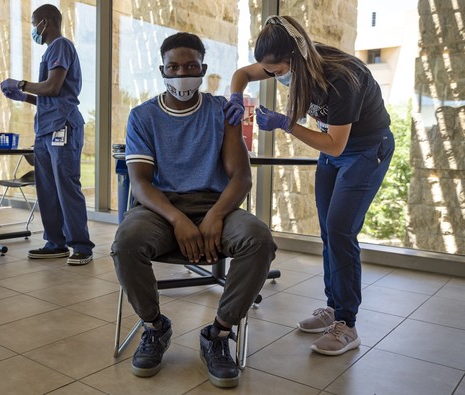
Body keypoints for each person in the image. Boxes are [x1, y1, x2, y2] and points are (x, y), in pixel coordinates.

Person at [111, 32, 276, 388]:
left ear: (203, 69)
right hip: (161, 208)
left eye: (190, 66)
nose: (181, 73)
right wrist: (177, 219)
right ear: (162, 70)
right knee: (126, 242)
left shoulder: (222, 112)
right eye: (173, 66)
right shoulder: (143, 116)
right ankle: (155, 327)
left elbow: (242, 177)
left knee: (258, 239)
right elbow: (141, 184)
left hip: (217, 204)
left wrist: (215, 215)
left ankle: (218, 334)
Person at [224, 15, 395, 356]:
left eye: (276, 71)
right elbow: (243, 74)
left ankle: (347, 324)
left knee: (341, 230)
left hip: (363, 150)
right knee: (329, 232)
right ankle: (334, 308)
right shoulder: (284, 63)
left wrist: (286, 123)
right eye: (269, 70)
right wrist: (234, 96)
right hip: (335, 151)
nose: (273, 76)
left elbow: (334, 144)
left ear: (295, 58)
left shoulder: (343, 79)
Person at [0, 4, 94, 266]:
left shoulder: (61, 46)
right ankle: (56, 243)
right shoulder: (52, 51)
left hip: (63, 126)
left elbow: (53, 87)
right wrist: (26, 96)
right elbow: (49, 96)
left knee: (66, 186)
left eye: (33, 24)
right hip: (45, 129)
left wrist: (20, 83)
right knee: (47, 190)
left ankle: (82, 246)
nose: (33, 30)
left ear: (44, 22)